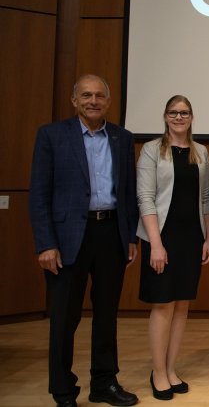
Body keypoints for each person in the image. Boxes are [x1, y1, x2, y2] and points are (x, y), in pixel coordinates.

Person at [29, 75, 139, 407]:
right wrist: (45, 243)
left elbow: (128, 193)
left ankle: (104, 383)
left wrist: (130, 236)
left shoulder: (122, 137)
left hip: (111, 235)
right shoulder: (52, 136)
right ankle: (63, 391)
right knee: (65, 318)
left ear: (108, 101)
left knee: (106, 315)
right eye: (86, 95)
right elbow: (39, 195)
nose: (94, 101)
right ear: (74, 100)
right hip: (66, 240)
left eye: (100, 96)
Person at [136, 95, 209, 400]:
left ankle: (171, 368)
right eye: (173, 113)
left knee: (182, 305)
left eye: (184, 113)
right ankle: (157, 372)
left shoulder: (201, 152)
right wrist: (155, 244)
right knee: (162, 305)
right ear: (165, 116)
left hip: (191, 237)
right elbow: (145, 198)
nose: (179, 117)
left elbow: (207, 197)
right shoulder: (152, 150)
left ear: (192, 117)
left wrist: (208, 238)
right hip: (162, 237)